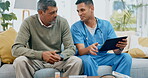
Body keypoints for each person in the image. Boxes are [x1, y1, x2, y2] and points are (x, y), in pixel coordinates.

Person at [12, 0, 82, 78]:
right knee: (20, 61)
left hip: (57, 60)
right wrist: (41, 55)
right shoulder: (28, 22)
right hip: (36, 60)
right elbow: (16, 49)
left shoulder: (63, 22)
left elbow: (71, 48)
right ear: (41, 12)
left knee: (76, 61)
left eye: (56, 11)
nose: (55, 15)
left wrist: (61, 56)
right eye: (52, 13)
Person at [71, 0, 132, 76]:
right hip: (87, 57)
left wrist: (120, 47)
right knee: (87, 61)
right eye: (78, 11)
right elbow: (81, 51)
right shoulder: (76, 27)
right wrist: (89, 49)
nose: (80, 14)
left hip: (103, 57)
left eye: (82, 10)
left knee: (126, 57)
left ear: (92, 8)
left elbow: (116, 51)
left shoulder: (106, 25)